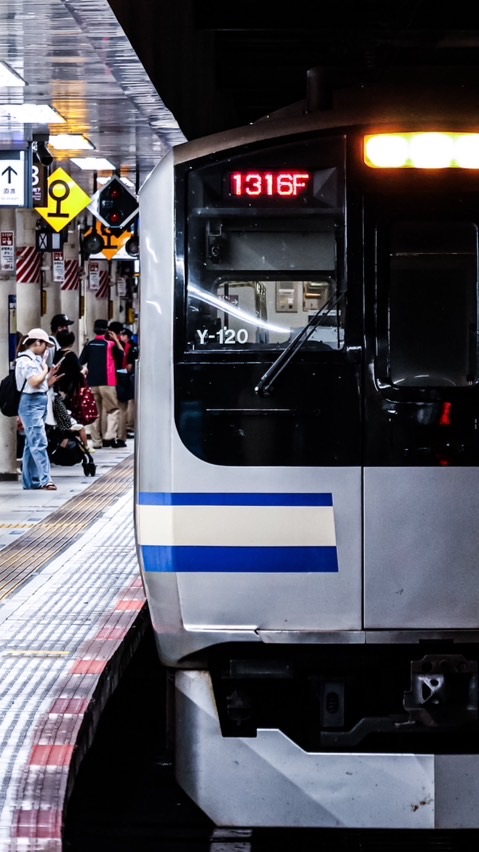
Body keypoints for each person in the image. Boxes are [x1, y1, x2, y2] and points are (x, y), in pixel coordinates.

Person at [15, 328, 64, 491]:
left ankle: (31, 481)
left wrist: (49, 376)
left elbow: (39, 384)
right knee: (39, 441)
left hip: (38, 401)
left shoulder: (34, 360)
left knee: (31, 443)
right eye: (45, 345)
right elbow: (34, 382)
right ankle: (45, 479)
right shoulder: (25, 361)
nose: (46, 349)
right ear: (37, 342)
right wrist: (45, 371)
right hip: (30, 403)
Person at [79, 319, 124, 448]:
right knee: (113, 410)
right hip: (108, 382)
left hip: (92, 382)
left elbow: (81, 361)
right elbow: (121, 356)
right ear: (107, 330)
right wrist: (115, 340)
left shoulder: (89, 344)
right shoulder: (110, 344)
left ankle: (96, 442)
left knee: (95, 413)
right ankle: (109, 436)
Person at [52, 329, 89, 449]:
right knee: (68, 419)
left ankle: (62, 444)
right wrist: (84, 370)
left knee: (61, 420)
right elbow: (80, 373)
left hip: (57, 390)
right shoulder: (71, 356)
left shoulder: (55, 354)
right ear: (72, 342)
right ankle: (66, 445)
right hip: (69, 392)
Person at [118, 327, 138, 439]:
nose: (121, 337)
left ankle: (130, 426)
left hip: (129, 377)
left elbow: (129, 367)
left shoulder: (131, 347)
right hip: (125, 377)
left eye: (123, 335)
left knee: (130, 403)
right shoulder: (124, 345)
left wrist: (119, 371)